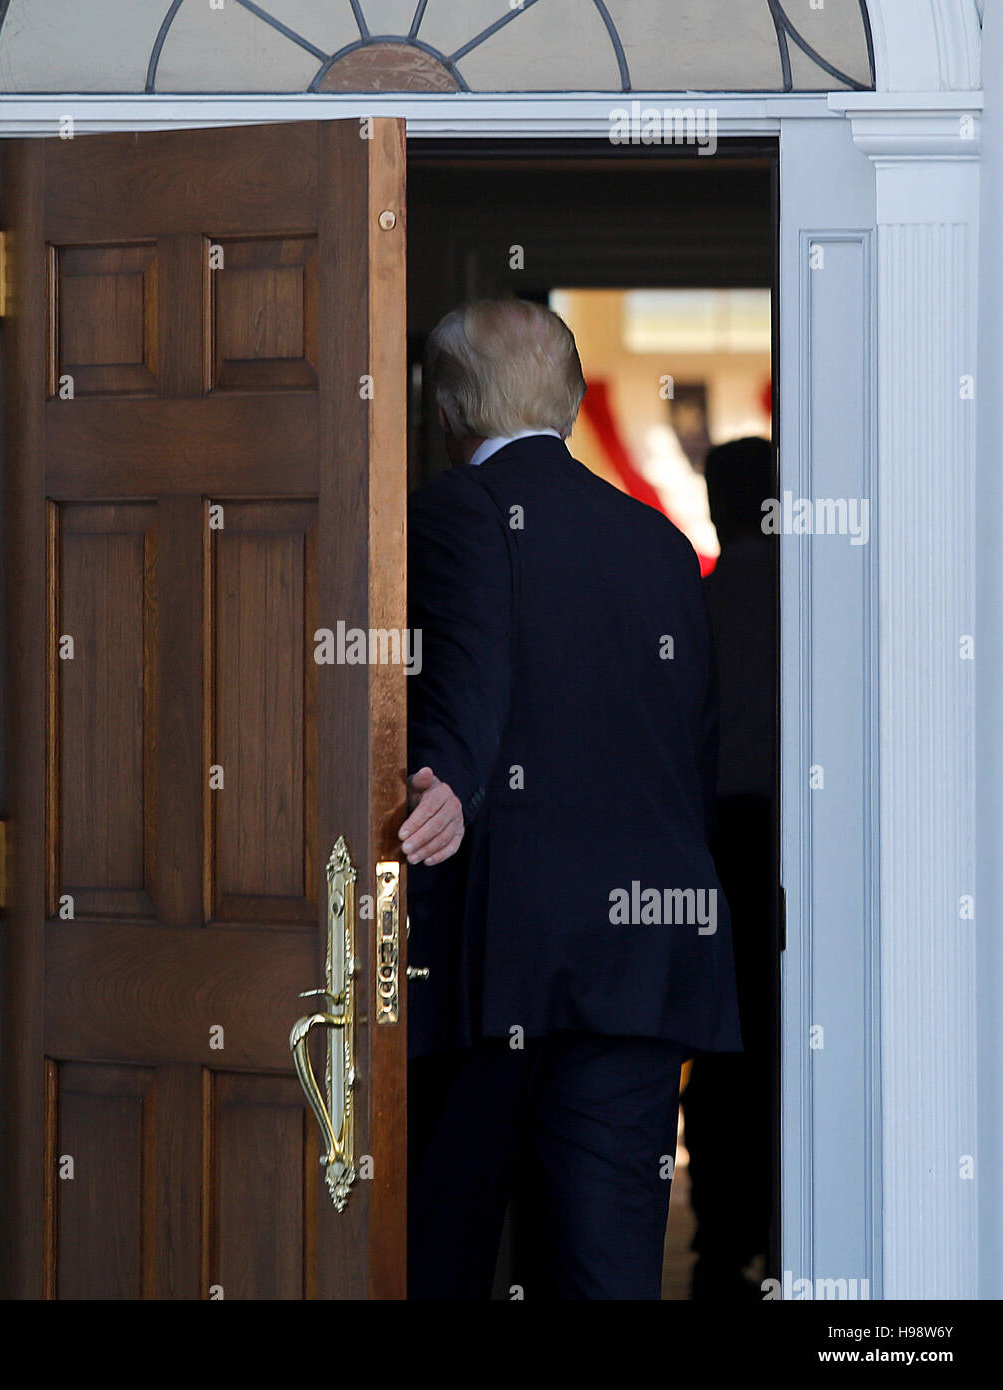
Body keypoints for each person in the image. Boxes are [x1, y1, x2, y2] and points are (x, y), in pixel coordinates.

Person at [402, 297, 742, 1300]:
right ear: (568, 399)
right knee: (605, 1269)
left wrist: (451, 781)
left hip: (494, 958)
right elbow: (694, 756)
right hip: (642, 958)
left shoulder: (447, 516)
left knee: (443, 1258)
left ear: (448, 407)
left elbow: (473, 678)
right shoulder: (659, 544)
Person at [679, 436, 779, 1299]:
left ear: (718, 506)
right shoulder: (815, 604)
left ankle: (719, 1247)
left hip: (717, 842)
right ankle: (791, 1230)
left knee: (720, 1043)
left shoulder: (699, 609)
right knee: (797, 1039)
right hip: (800, 846)